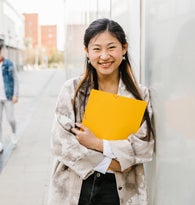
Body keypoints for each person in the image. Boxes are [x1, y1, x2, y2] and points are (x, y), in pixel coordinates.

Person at [48, 18, 154, 205]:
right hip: (75, 186)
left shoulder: (139, 94)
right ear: (87, 51)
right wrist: (111, 163)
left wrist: (97, 143)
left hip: (120, 191)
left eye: (111, 47)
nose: (104, 56)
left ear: (124, 48)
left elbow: (144, 147)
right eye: (97, 49)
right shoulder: (73, 90)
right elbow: (61, 143)